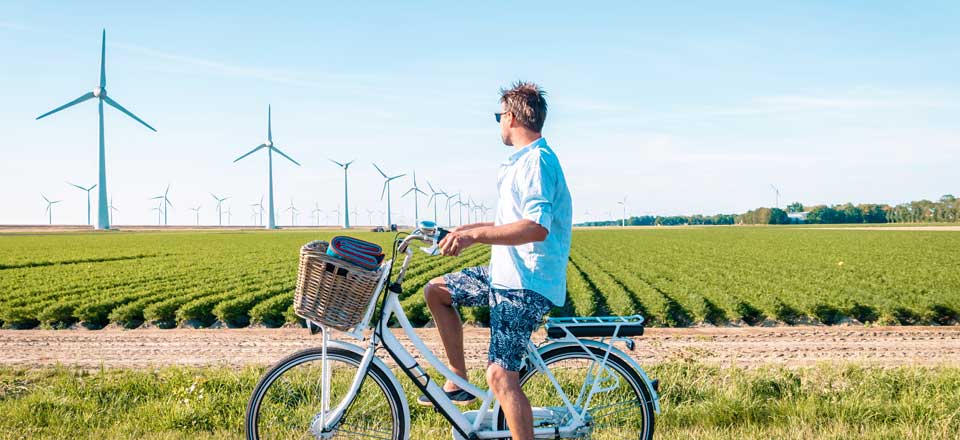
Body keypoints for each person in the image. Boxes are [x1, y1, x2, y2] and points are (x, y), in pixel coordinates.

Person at [421, 81, 572, 440]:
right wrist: (462, 230)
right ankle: (457, 380)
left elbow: (535, 227)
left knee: (501, 377)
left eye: (499, 116)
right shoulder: (521, 162)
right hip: (505, 273)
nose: (498, 124)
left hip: (525, 282)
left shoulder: (536, 161)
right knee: (436, 292)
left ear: (513, 117)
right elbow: (508, 224)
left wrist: (474, 236)